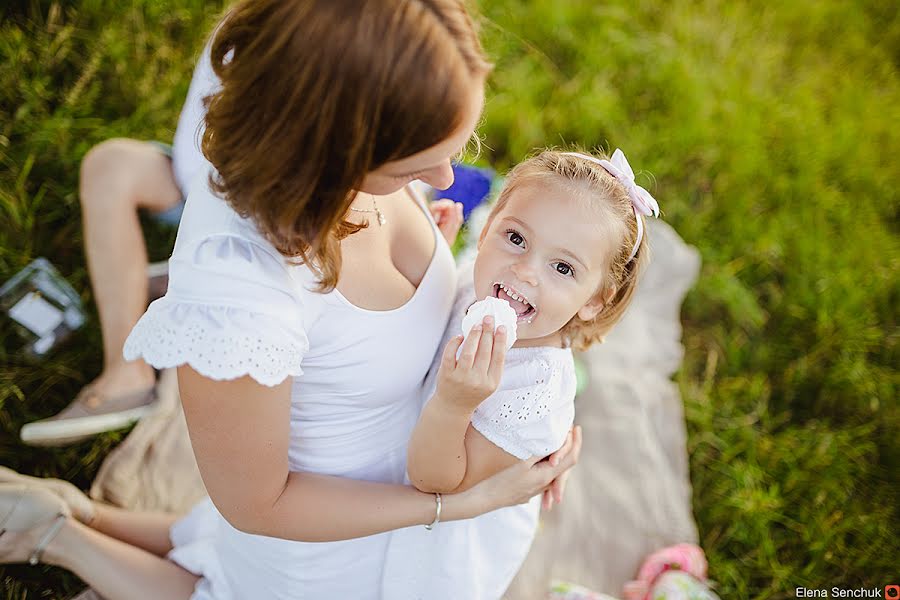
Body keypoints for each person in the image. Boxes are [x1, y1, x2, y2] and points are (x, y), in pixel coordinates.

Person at [0, 1, 581, 598]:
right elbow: (260, 505)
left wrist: (520, 426)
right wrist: (457, 506)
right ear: (334, 148)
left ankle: (82, 513)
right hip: (320, 537)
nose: (440, 176)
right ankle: (55, 536)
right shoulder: (240, 293)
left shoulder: (359, 151)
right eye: (411, 163)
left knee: (209, 548)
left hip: (405, 483)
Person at [382, 148, 658, 599]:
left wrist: (455, 404)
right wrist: (435, 261)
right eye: (515, 238)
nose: (524, 271)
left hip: (441, 547)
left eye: (563, 267)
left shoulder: (535, 391)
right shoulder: (475, 280)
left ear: (593, 300)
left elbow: (435, 482)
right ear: (487, 228)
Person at [18, 35, 217, 445]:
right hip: (197, 181)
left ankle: (173, 285)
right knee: (112, 165)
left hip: (268, 210)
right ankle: (130, 368)